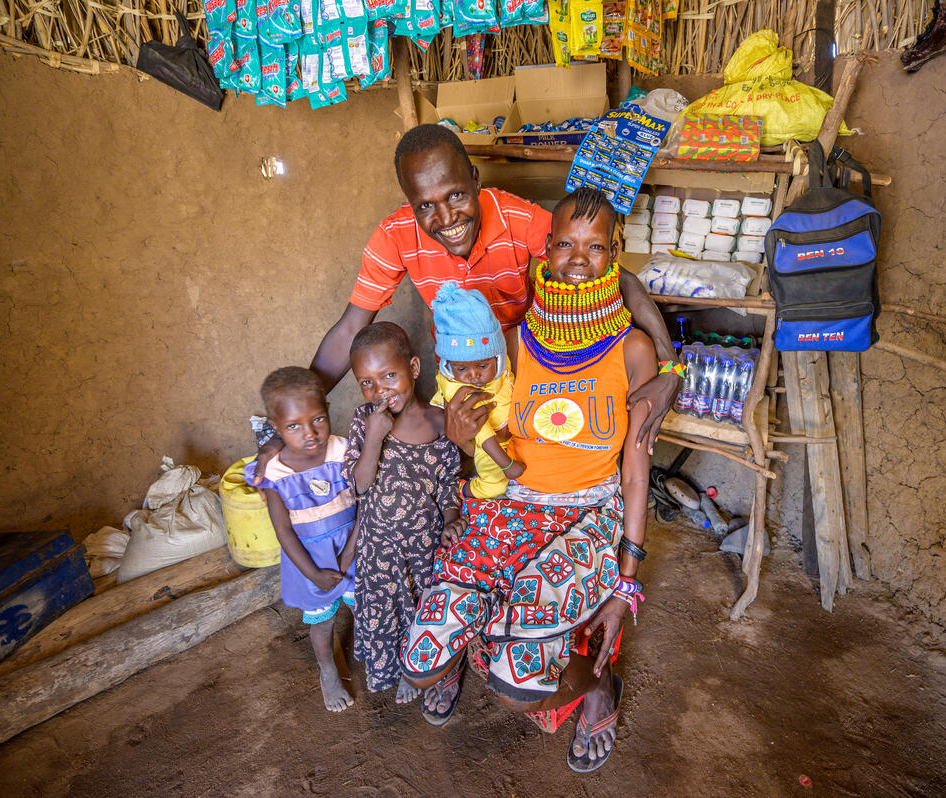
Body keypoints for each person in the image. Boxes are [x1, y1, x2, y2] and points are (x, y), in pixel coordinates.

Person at [248, 124, 680, 483]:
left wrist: (669, 366)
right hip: (457, 377)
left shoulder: (518, 217)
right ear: (410, 205)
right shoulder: (394, 236)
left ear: (475, 180)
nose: (447, 218)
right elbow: (348, 331)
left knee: (529, 462)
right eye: (426, 206)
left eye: (455, 195)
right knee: (458, 475)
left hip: (528, 368)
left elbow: (615, 276)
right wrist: (292, 420)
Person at [401, 188, 658, 772]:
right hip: (510, 507)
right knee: (420, 661)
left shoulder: (636, 350)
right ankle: (475, 639)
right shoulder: (514, 342)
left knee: (519, 683)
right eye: (564, 243)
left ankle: (599, 689)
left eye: (595, 247)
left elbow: (636, 474)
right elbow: (485, 441)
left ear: (615, 252)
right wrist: (464, 441)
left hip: (586, 514)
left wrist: (626, 582)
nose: (576, 258)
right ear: (545, 249)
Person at [345, 322, 463, 714]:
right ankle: (394, 671)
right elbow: (359, 486)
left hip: (422, 547)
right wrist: (375, 436)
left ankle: (419, 673)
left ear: (413, 368)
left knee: (420, 610)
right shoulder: (365, 421)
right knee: (384, 612)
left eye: (389, 376)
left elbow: (447, 486)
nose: (379, 391)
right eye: (367, 383)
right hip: (378, 547)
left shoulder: (440, 423)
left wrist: (449, 519)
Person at [245, 367, 357, 713]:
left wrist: (349, 554)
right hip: (309, 561)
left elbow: (365, 504)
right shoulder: (274, 473)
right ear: (275, 430)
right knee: (322, 622)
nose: (310, 434)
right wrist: (315, 575)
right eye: (294, 426)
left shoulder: (344, 450)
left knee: (367, 608)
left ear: (327, 408)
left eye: (318, 419)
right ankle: (327, 671)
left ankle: (380, 654)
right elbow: (284, 532)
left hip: (353, 547)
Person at [428, 281, 522, 499]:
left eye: (482, 366)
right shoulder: (456, 386)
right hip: (490, 448)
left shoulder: (501, 362)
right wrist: (506, 464)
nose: (473, 376)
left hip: (514, 436)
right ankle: (457, 490)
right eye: (461, 368)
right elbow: (482, 431)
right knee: (494, 487)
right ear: (448, 364)